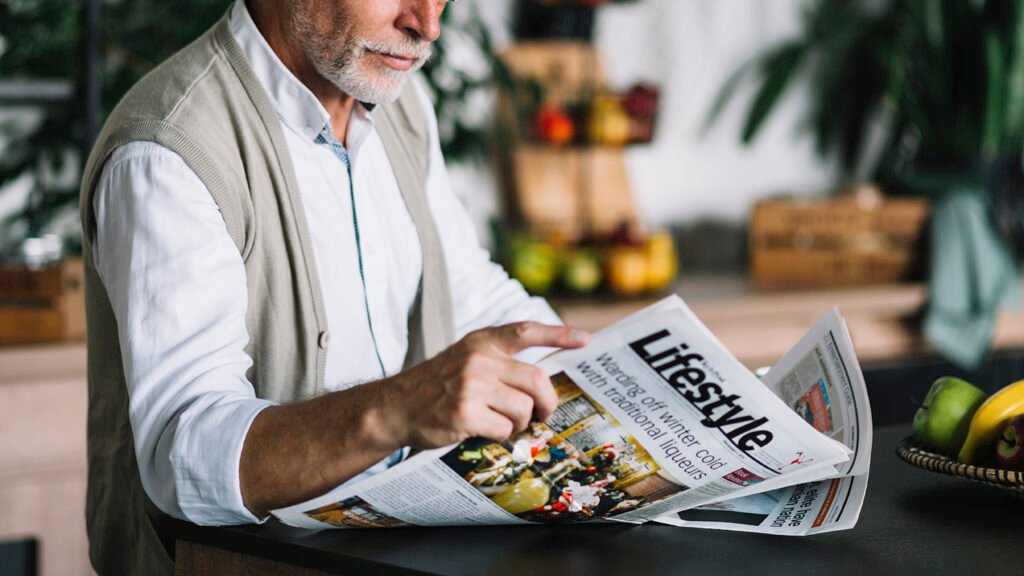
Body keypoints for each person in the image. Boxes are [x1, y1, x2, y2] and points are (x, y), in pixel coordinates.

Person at [78, 1, 590, 574]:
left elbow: (469, 290)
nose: (427, 24)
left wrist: (608, 370)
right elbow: (184, 455)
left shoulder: (401, 104)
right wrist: (398, 407)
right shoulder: (168, 150)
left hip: (392, 550)